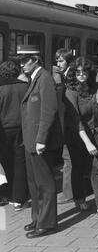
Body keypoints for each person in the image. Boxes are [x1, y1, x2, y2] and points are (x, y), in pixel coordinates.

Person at [20, 47, 63, 238]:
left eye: (25, 61)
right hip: (30, 141)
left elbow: (49, 111)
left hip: (39, 142)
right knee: (34, 183)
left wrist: (41, 139)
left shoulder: (45, 78)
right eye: (20, 61)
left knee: (44, 183)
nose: (21, 65)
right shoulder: (34, 78)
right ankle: (38, 218)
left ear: (35, 60)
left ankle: (47, 224)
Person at [64, 57, 98, 220]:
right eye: (77, 72)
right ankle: (79, 198)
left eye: (84, 71)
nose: (81, 74)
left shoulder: (94, 89)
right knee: (77, 167)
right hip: (77, 135)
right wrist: (88, 142)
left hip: (95, 132)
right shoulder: (70, 92)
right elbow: (76, 121)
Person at [0, 60, 29, 210]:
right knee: (19, 163)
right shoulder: (25, 87)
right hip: (21, 129)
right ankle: (19, 198)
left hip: (2, 130)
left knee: (3, 163)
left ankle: (4, 194)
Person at [54, 49, 75, 205]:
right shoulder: (66, 75)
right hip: (69, 123)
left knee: (68, 158)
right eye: (57, 60)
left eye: (61, 61)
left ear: (68, 61)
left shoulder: (69, 77)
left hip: (70, 124)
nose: (58, 63)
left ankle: (68, 194)